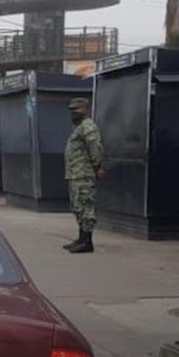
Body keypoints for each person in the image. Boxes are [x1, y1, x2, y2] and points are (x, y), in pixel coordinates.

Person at [64, 97, 105, 254]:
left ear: (84, 110)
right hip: (75, 174)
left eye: (76, 110)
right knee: (78, 206)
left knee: (86, 206)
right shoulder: (79, 127)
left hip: (84, 174)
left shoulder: (88, 126)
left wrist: (98, 166)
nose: (72, 113)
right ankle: (81, 238)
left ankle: (87, 241)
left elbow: (95, 147)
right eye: (71, 110)